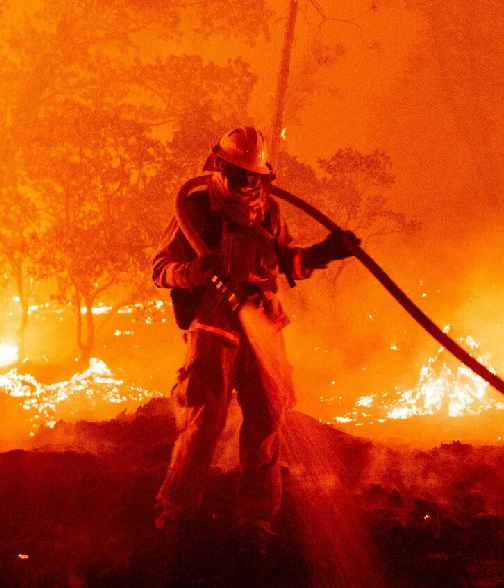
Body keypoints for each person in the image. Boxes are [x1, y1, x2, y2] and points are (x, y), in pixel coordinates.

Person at [153, 126, 358, 558]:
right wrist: (191, 272)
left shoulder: (269, 212)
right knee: (204, 423)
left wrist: (327, 251)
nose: (249, 185)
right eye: (241, 175)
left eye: (256, 177)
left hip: (263, 326)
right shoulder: (197, 206)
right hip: (213, 327)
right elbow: (160, 267)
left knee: (266, 421)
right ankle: (176, 513)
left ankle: (257, 520)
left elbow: (289, 263)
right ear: (221, 166)